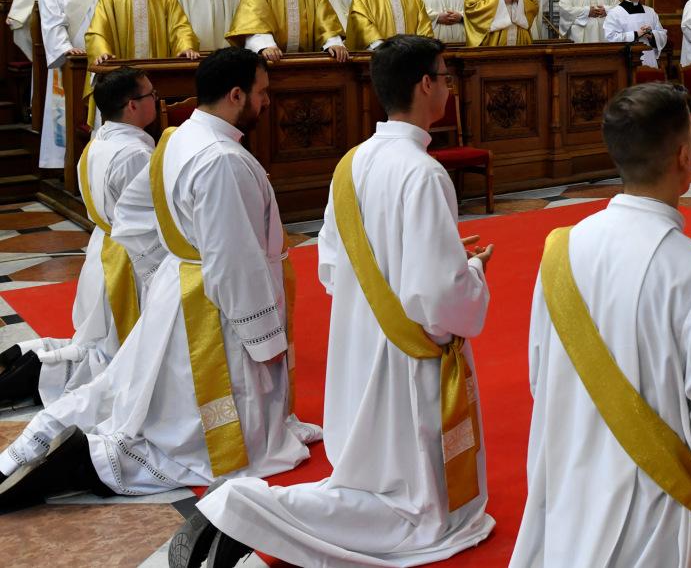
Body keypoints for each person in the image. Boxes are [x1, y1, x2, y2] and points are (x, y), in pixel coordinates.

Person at [175, 36, 493, 568]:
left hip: (361, 334)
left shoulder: (354, 159)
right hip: (406, 351)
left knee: (374, 473)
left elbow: (331, 260)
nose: (449, 87)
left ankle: (242, 511)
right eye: (446, 75)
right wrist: (474, 273)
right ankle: (242, 508)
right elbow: (439, 295)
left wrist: (410, 265)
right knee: (408, 507)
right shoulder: (423, 171)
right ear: (426, 84)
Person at [0, 48, 321, 510]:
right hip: (212, 304)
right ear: (235, 94)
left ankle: (59, 438)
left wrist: (166, 269)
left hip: (185, 286)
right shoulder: (220, 159)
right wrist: (265, 338)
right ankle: (90, 463)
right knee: (201, 425)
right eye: (262, 92)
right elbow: (234, 260)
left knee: (155, 391)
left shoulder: (179, 136)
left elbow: (132, 216)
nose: (268, 102)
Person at [510, 84, 691, 567]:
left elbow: (539, 376)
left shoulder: (561, 250)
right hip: (655, 514)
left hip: (570, 482)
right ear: (684, 158)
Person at [0, 68, 155, 408]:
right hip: (129, 259)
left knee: (99, 341)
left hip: (104, 249)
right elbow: (146, 221)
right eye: (151, 95)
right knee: (116, 354)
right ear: (132, 105)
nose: (156, 100)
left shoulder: (99, 142)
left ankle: (22, 358)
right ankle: (25, 378)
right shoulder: (134, 155)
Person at [36, 0, 120, 169]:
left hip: (104, 59)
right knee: (67, 111)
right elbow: (51, 22)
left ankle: (104, 161)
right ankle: (67, 163)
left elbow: (117, 18)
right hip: (71, 59)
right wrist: (65, 49)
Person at [603, 0, 669, 68]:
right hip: (626, 62)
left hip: (649, 60)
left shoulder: (650, 11)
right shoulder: (615, 13)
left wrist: (652, 35)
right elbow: (610, 39)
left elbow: (663, 35)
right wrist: (636, 34)